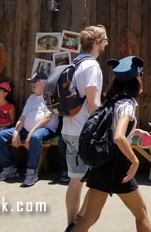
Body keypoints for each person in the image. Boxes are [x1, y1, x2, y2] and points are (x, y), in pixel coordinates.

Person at [72, 56, 151, 232]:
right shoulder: (128, 105)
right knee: (141, 213)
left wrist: (136, 131)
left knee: (89, 218)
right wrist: (134, 161)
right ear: (137, 78)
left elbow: (112, 129)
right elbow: (118, 137)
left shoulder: (112, 101)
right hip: (119, 164)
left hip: (102, 163)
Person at [63, 25, 108, 227]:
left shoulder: (74, 64)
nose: (107, 42)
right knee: (97, 180)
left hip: (68, 130)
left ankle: (71, 224)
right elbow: (93, 104)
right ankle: (79, 226)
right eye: (105, 39)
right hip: (85, 133)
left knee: (75, 181)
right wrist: (104, 128)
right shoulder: (91, 66)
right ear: (96, 42)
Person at [0, 71, 59, 187]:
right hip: (26, 130)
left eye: (35, 82)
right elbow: (22, 117)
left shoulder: (50, 96)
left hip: (46, 129)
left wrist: (31, 132)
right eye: (31, 82)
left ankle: (31, 174)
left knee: (34, 137)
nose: (32, 84)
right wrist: (16, 132)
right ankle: (9, 169)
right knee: (0, 135)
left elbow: (47, 117)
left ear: (44, 83)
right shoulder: (31, 98)